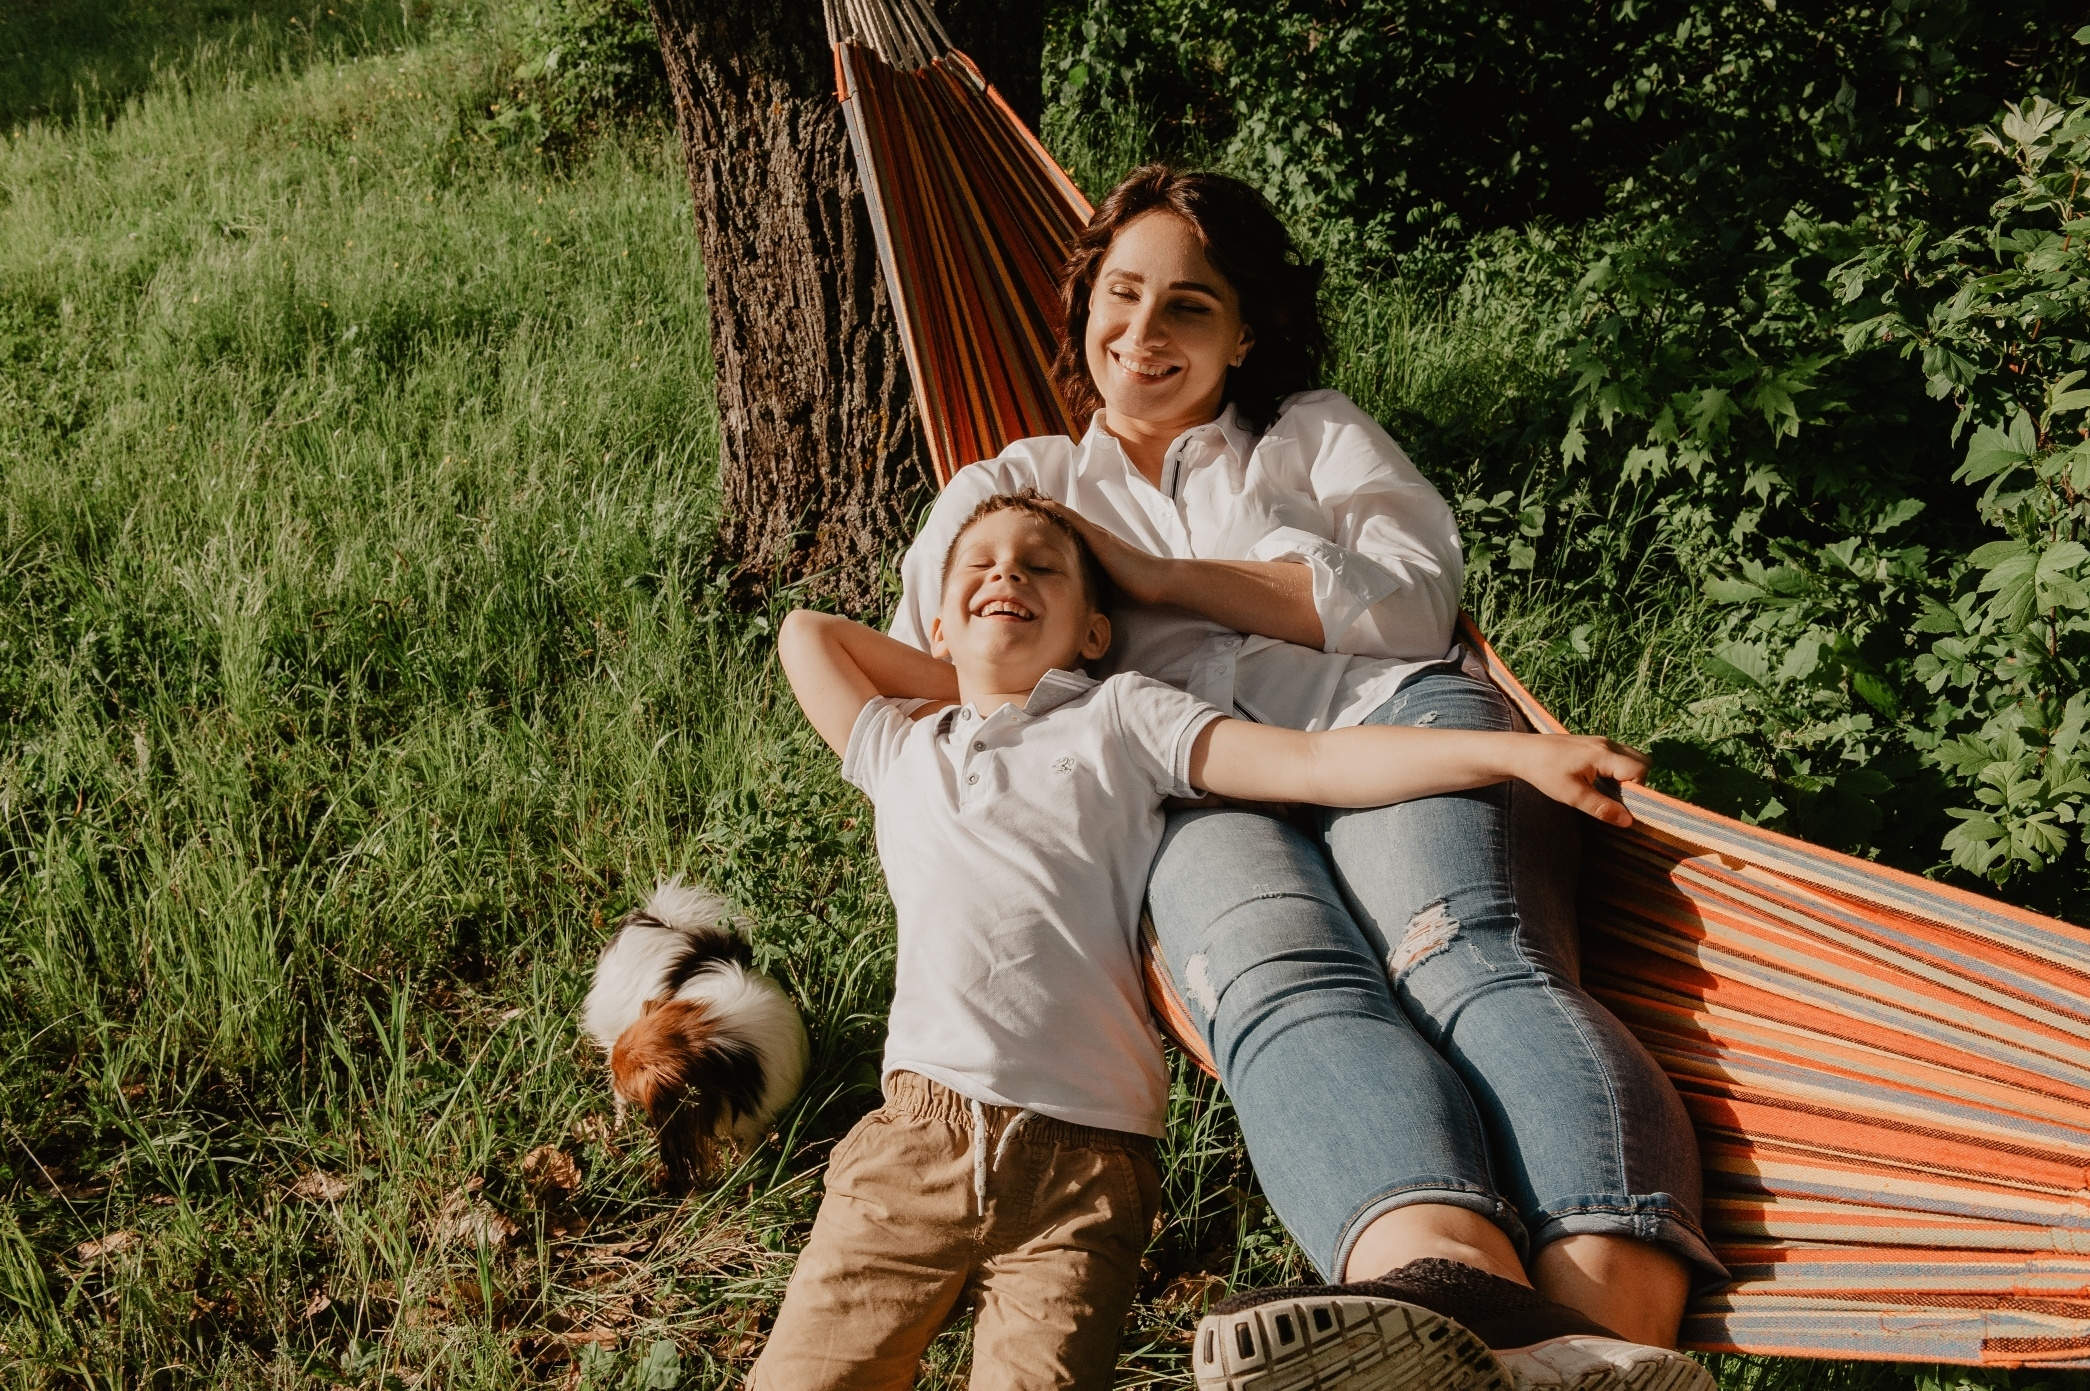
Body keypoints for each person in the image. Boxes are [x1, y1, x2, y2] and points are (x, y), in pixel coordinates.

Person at [883, 167, 1727, 1391]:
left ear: (1245, 330)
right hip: (1183, 785)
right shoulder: (1008, 490)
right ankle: (1441, 1279)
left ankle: (1610, 1330)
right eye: (1122, 294)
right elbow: (944, 680)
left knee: (1463, 952)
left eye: (1188, 305)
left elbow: (1412, 597)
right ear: (1080, 308)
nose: (1144, 331)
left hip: (1399, 720)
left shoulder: (1308, 433)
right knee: (1272, 987)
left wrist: (1161, 579)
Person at [758, 490, 1655, 1391]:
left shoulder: (1118, 717)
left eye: (1040, 567)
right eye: (979, 569)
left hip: (1087, 1164)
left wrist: (1518, 755)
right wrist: (975, 677)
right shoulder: (902, 749)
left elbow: (1312, 764)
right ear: (937, 628)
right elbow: (807, 633)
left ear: (1098, 632)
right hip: (917, 1138)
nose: (1007, 574)